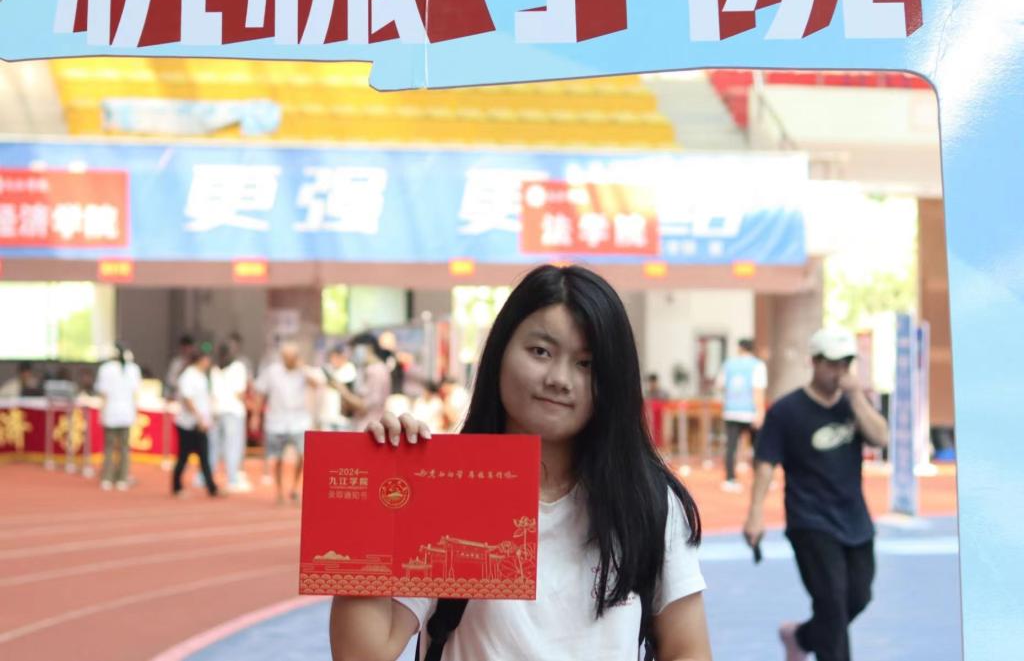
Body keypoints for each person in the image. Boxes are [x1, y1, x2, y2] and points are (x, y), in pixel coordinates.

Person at [329, 264, 712, 661]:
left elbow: (688, 650)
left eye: (586, 363)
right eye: (541, 352)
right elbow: (361, 654)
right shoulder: (447, 489)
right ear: (500, 352)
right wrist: (376, 494)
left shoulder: (646, 501)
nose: (559, 379)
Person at [742, 327, 889, 661]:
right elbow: (765, 463)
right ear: (814, 361)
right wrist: (755, 514)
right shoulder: (786, 411)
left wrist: (856, 398)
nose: (839, 371)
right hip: (810, 521)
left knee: (858, 597)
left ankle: (800, 637)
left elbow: (881, 438)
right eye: (832, 364)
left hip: (854, 519)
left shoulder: (854, 404)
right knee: (832, 605)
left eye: (845, 364)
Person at [250, 341, 324, 504]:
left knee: (303, 455)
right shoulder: (272, 371)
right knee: (277, 457)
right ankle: (279, 491)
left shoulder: (304, 371)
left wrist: (303, 368)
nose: (290, 359)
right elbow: (260, 393)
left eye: (293, 356)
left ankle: (295, 488)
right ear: (282, 357)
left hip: (299, 420)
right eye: (287, 356)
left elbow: (317, 384)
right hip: (277, 420)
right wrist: (255, 416)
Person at [718, 338, 768, 492]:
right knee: (757, 446)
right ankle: (759, 478)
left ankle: (730, 479)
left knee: (731, 446)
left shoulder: (728, 365)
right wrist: (760, 412)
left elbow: (720, 385)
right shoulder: (757, 365)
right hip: (750, 412)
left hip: (731, 410)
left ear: (739, 348)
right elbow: (758, 390)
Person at [172, 342, 218, 498]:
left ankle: (212, 487)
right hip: (188, 423)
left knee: (204, 456)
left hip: (200, 422)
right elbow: (188, 399)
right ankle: (177, 486)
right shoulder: (189, 375)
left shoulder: (201, 376)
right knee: (184, 456)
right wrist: (198, 418)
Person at [95, 344, 142, 491]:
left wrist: (101, 411)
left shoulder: (106, 369)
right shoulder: (133, 369)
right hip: (126, 411)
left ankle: (107, 477)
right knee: (124, 447)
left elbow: (104, 393)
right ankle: (122, 477)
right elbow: (135, 393)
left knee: (109, 447)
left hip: (111, 410)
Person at [208, 342, 251, 492]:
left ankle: (207, 476)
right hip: (233, 410)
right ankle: (232, 478)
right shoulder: (238, 367)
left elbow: (212, 392)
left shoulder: (214, 369)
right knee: (233, 446)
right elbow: (240, 392)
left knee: (214, 446)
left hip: (216, 410)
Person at [318, 344, 365, 431]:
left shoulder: (350, 369)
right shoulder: (329, 369)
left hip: (344, 418)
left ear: (342, 357)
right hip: (329, 417)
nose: (333, 361)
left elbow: (340, 384)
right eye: (331, 358)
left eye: (335, 357)